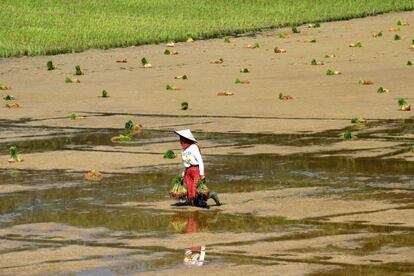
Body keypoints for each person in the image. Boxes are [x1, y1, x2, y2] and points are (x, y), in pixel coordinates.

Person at [174, 129, 222, 208]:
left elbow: (200, 160)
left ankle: (212, 195)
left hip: (196, 170)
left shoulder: (193, 147)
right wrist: (183, 174)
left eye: (182, 140)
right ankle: (194, 202)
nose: (181, 142)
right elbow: (186, 163)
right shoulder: (184, 150)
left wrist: (202, 173)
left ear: (187, 140)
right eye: (180, 140)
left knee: (196, 191)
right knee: (190, 192)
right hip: (188, 171)